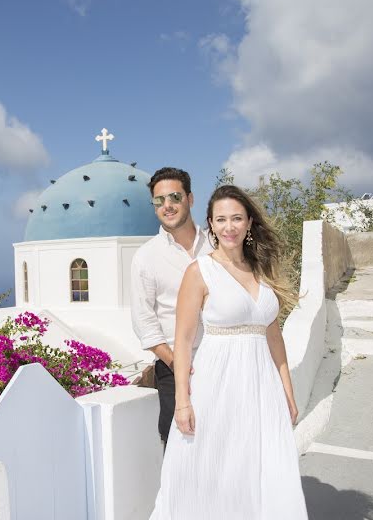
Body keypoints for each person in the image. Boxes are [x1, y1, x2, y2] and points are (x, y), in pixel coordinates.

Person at [150, 184, 308, 519]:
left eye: (237, 218)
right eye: (221, 219)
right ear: (211, 224)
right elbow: (182, 341)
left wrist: (287, 392)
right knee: (212, 469)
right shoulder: (199, 271)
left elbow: (274, 337)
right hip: (216, 385)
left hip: (262, 387)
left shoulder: (262, 270)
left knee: (258, 468)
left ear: (249, 222)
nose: (229, 226)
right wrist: (182, 401)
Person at [131, 167, 213, 446]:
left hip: (220, 359)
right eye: (159, 201)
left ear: (190, 199)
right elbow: (144, 320)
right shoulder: (146, 257)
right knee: (178, 442)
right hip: (172, 367)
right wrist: (177, 362)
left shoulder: (216, 245)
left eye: (174, 197)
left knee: (223, 439)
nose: (167, 206)